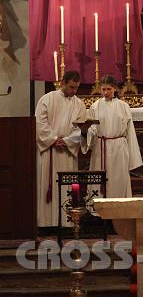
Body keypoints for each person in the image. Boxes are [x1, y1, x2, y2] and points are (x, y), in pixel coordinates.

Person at [36, 70, 86, 228]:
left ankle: (66, 223)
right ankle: (46, 223)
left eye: (76, 88)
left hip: (66, 153)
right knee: (47, 187)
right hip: (49, 152)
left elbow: (81, 128)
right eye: (71, 87)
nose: (74, 91)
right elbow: (39, 123)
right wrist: (52, 139)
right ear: (63, 83)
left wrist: (67, 141)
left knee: (66, 188)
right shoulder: (47, 99)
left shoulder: (79, 104)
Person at [80, 75, 142, 198]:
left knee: (118, 179)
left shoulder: (123, 106)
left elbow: (129, 131)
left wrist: (132, 156)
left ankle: (119, 210)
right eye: (103, 89)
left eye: (109, 89)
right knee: (99, 182)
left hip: (118, 148)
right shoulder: (95, 106)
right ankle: (97, 211)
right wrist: (85, 131)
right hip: (101, 147)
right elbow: (93, 129)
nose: (106, 92)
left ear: (114, 89)